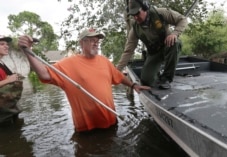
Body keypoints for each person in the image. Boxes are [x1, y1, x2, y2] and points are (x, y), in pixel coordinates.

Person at [18, 28, 150, 132]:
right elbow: (44, 74)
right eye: (92, 39)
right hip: (85, 129)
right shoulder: (68, 64)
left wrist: (133, 85)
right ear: (82, 42)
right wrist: (28, 51)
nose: (96, 42)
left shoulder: (105, 61)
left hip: (110, 123)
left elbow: (119, 76)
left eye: (97, 40)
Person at [117, 0, 188, 89]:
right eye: (133, 15)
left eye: (137, 13)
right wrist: (117, 70)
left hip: (168, 46)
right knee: (146, 81)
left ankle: (166, 78)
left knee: (175, 43)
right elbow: (128, 51)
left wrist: (175, 33)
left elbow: (182, 19)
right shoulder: (135, 29)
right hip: (154, 53)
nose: (136, 17)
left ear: (145, 8)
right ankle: (156, 74)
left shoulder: (160, 13)